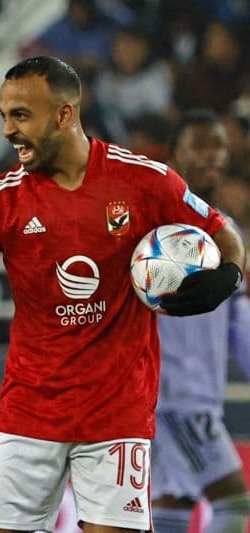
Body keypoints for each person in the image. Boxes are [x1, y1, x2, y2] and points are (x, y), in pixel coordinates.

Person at [0, 56, 245, 533]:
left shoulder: (144, 180)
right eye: (4, 116)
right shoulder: (1, 199)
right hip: (29, 412)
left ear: (63, 114)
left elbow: (225, 233)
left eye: (21, 116)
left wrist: (229, 276)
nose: (8, 131)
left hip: (116, 415)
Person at [152, 109, 250, 533]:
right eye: (200, 146)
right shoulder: (156, 230)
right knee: (233, 502)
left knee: (174, 503)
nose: (213, 155)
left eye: (219, 146)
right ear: (175, 154)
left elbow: (237, 319)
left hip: (198, 395)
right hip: (174, 396)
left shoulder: (228, 231)